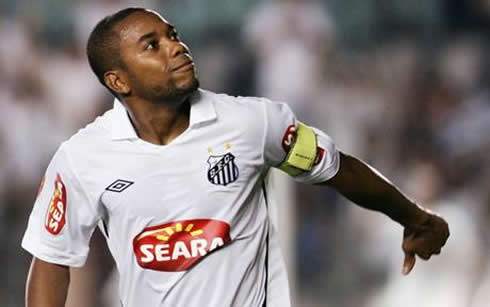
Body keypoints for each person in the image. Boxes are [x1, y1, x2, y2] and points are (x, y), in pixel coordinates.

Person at [22, 7, 449, 307]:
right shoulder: (82, 158)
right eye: (151, 45)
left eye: (173, 35)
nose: (176, 47)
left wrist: (414, 217)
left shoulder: (251, 124)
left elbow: (337, 169)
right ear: (118, 80)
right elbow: (51, 260)